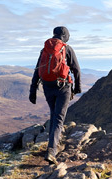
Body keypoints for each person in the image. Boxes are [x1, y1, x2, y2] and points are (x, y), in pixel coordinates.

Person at [29, 26, 81, 165]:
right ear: (66, 36)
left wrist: (32, 91)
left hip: (47, 86)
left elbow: (37, 70)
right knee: (58, 118)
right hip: (63, 87)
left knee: (54, 114)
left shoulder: (45, 50)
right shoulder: (66, 49)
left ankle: (51, 145)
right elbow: (76, 70)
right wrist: (77, 88)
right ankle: (51, 151)